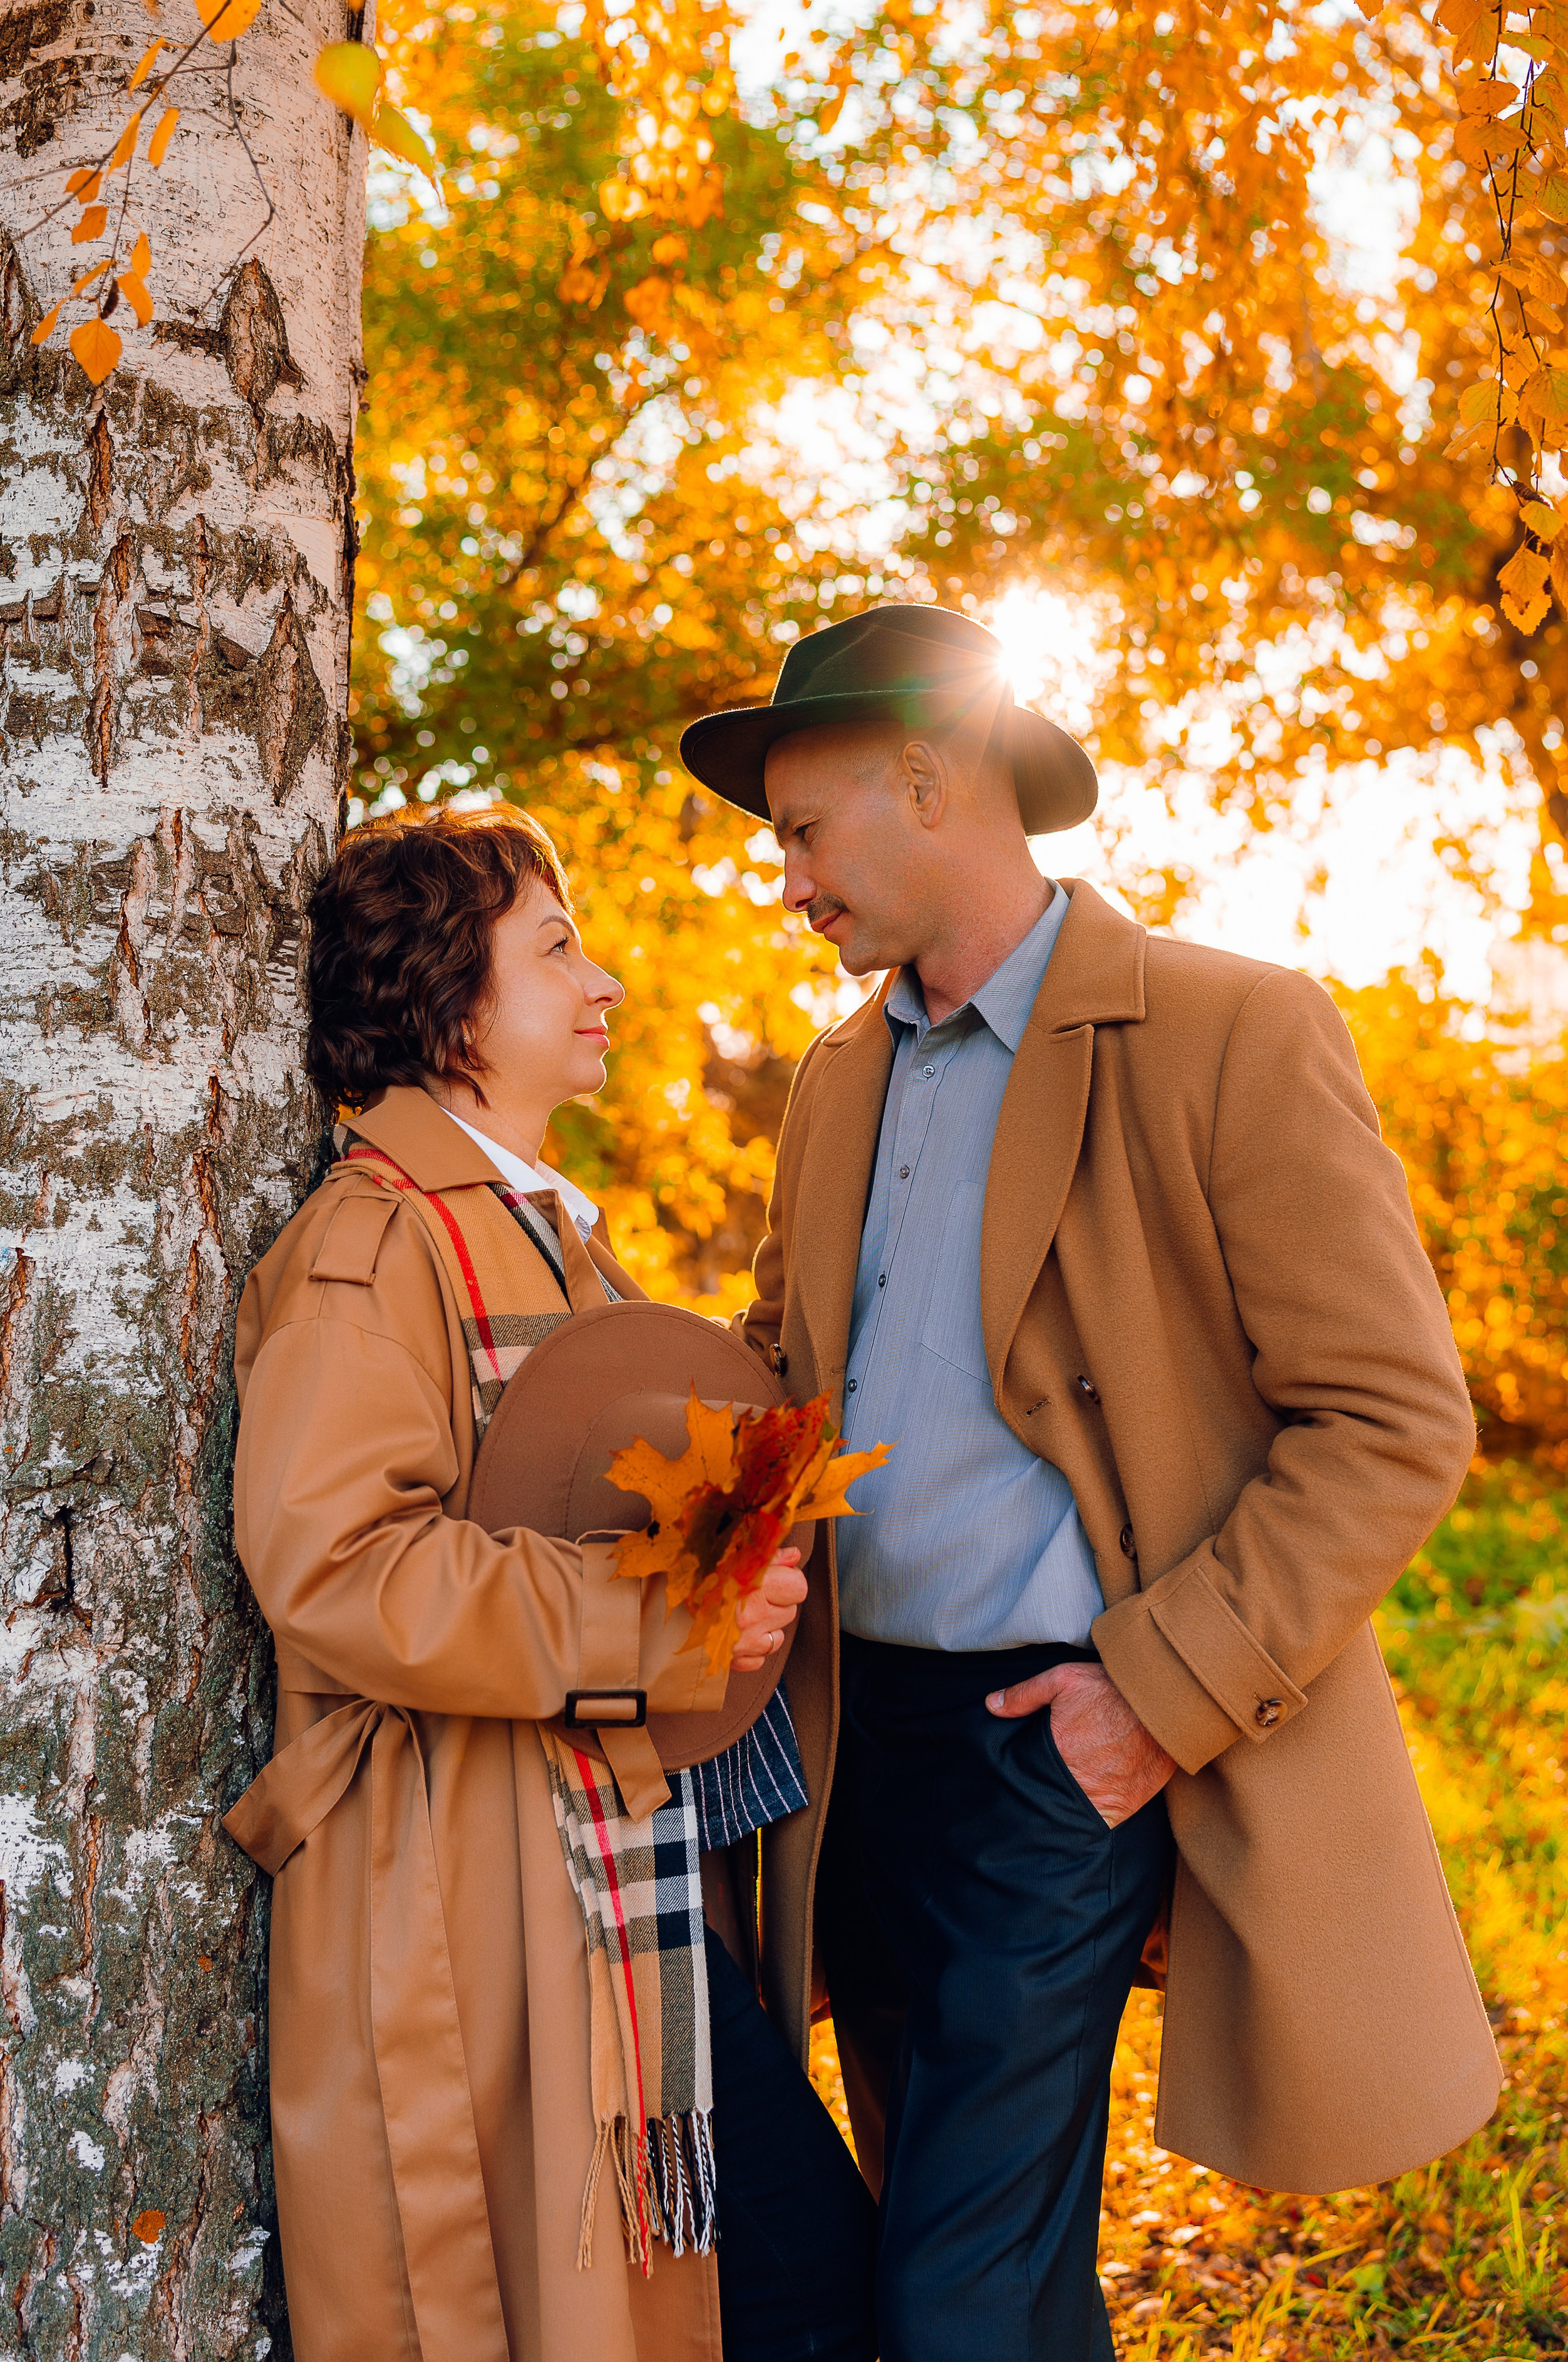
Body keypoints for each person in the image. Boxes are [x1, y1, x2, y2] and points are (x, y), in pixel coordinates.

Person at [677, 602, 1502, 2362]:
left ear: (927, 783)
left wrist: (1156, 1691)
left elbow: (1393, 1418)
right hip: (849, 1753)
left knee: (954, 2301)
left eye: (804, 835)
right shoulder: (831, 1084)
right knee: (962, 2263)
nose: (790, 882)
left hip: (1067, 1744)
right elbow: (775, 1381)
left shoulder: (1232, 1029)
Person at [222, 808, 877, 2362]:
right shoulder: (368, 1246)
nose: (608, 982)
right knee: (781, 2292)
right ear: (454, 1007)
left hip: (600, 1853)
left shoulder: (546, 1242)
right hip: (477, 1881)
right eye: (558, 947)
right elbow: (335, 1564)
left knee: (770, 2292)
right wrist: (669, 1618)